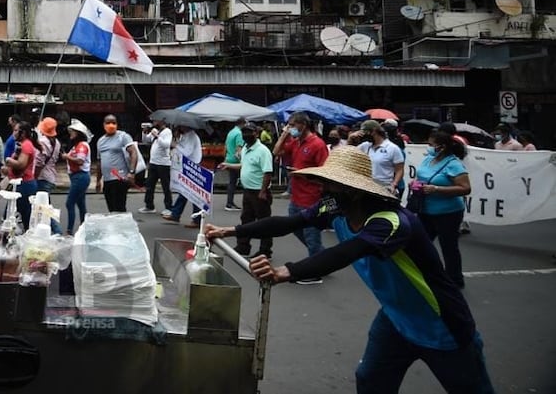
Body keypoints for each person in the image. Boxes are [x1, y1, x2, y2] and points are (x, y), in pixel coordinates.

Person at [203, 146, 495, 394]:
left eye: (332, 185)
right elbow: (289, 223)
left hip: (440, 323)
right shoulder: (335, 207)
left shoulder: (392, 221)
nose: (325, 190)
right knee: (370, 381)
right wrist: (231, 230)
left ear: (355, 191)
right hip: (395, 318)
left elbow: (347, 252)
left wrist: (286, 271)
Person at [272, 112, 329, 283]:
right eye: (288, 125)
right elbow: (276, 151)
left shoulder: (318, 144)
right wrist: (284, 134)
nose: (290, 128)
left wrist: (302, 174)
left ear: (303, 125)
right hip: (296, 196)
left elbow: (325, 173)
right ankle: (322, 258)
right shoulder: (295, 142)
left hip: (311, 198)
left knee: (312, 236)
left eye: (292, 125)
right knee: (295, 228)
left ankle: (314, 273)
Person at [416, 130, 472, 289]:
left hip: (448, 213)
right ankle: (429, 274)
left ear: (441, 147)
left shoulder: (454, 164)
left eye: (431, 144)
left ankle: (455, 280)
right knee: (422, 244)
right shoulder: (428, 159)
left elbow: (465, 188)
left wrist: (436, 189)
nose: (428, 147)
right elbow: (421, 176)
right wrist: (416, 184)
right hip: (425, 210)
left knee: (449, 247)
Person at [217, 123, 273, 258]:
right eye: (244, 132)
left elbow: (268, 172)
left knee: (263, 222)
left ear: (257, 133)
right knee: (246, 219)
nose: (246, 135)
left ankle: (265, 250)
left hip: (259, 191)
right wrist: (228, 165)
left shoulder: (263, 150)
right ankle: (243, 246)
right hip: (247, 190)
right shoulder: (245, 149)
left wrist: (263, 191)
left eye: (249, 132)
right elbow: (244, 165)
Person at [94, 115, 139, 213]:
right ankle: (115, 227)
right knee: (111, 208)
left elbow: (133, 153)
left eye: (113, 123)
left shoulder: (123, 137)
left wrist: (132, 172)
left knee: (119, 208)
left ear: (117, 124)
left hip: (119, 178)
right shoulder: (100, 141)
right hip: (107, 180)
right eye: (108, 123)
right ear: (103, 125)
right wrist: (98, 180)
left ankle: (123, 227)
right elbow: (99, 161)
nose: (111, 125)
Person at [349, 120, 405, 198]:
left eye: (365, 133)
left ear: (373, 131)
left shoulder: (392, 148)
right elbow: (349, 152)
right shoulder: (365, 146)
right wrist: (351, 139)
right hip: (366, 187)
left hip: (384, 188)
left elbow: (399, 170)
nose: (364, 136)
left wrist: (394, 184)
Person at [3, 121, 39, 231]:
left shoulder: (26, 145)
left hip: (24, 184)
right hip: (18, 183)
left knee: (23, 216)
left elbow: (21, 164)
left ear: (22, 133)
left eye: (16, 130)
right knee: (10, 215)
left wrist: (9, 161)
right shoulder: (21, 145)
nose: (13, 133)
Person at [138, 117, 173, 213]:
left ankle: (169, 207)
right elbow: (146, 140)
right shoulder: (155, 130)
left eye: (155, 120)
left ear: (161, 121)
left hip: (163, 163)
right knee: (149, 185)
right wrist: (144, 132)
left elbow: (166, 145)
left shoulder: (167, 132)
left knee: (165, 186)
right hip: (153, 162)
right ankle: (149, 206)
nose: (154, 122)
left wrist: (157, 136)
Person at [62, 121, 91, 234]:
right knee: (80, 203)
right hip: (77, 177)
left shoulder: (82, 146)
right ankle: (84, 227)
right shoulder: (76, 146)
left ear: (78, 133)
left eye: (73, 132)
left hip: (80, 177)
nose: (71, 134)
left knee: (70, 203)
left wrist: (67, 157)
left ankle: (69, 230)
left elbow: (80, 160)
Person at [222, 118, 246, 211]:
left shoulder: (231, 132)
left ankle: (229, 202)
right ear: (242, 124)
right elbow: (238, 149)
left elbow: (226, 147)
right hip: (236, 161)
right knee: (243, 181)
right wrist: (242, 160)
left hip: (229, 158)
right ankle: (231, 203)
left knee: (232, 182)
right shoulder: (239, 133)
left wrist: (225, 158)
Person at [34, 117, 61, 194]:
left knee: (41, 203)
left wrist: (34, 177)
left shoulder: (43, 141)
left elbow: (38, 163)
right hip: (50, 176)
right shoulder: (57, 142)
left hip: (41, 177)